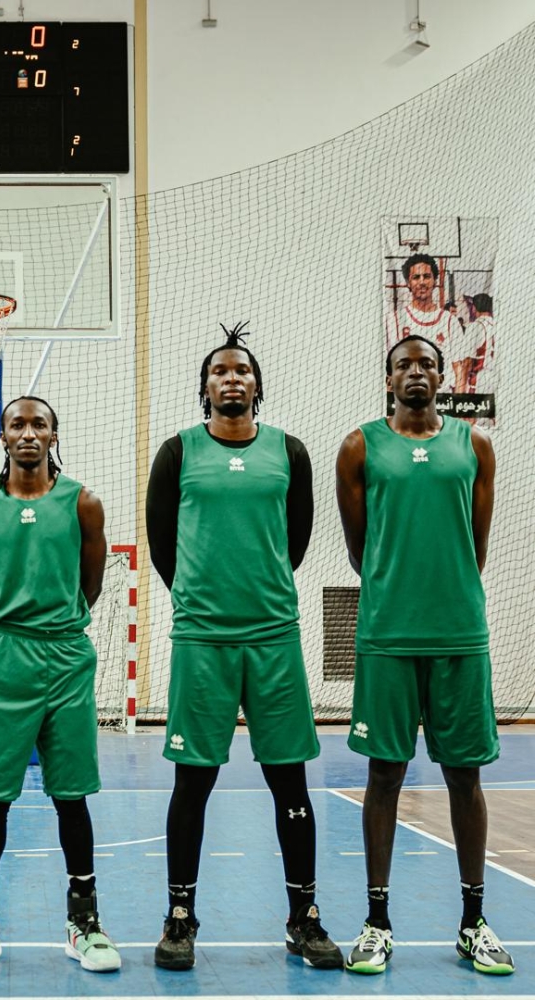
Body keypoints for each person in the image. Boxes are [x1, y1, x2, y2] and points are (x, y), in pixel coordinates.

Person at [145, 324, 342, 972]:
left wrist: (257, 594)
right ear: (205, 389)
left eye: (242, 371)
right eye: (220, 372)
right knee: (192, 784)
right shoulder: (178, 453)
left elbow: (298, 542)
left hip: (273, 636)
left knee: (289, 779)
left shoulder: (292, 453)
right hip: (204, 636)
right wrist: (203, 599)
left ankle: (303, 917)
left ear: (258, 386)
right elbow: (162, 545)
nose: (232, 379)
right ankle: (180, 917)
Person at [336, 334, 513, 976]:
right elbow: (360, 550)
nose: (416, 371)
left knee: (465, 777)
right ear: (389, 379)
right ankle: (378, 921)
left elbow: (477, 545)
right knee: (384, 775)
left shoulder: (475, 445)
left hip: (459, 635)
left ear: (443, 377)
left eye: (426, 363)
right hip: (387, 635)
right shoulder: (360, 447)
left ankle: (474, 922)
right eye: (403, 364)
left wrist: (444, 591)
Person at [0, 396, 121, 975]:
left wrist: (54, 624)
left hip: (64, 655)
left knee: (72, 795)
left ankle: (84, 922)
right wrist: (10, 625)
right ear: (1, 434)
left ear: (54, 435)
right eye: (17, 423)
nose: (27, 433)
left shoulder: (83, 503)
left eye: (39, 423)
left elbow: (89, 584)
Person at [385, 254, 457, 392]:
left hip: (442, 399)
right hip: (407, 400)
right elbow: (388, 368)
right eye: (416, 277)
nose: (422, 282)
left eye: (427, 276)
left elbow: (460, 368)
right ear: (408, 283)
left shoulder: (449, 321)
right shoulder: (394, 320)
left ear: (435, 280)